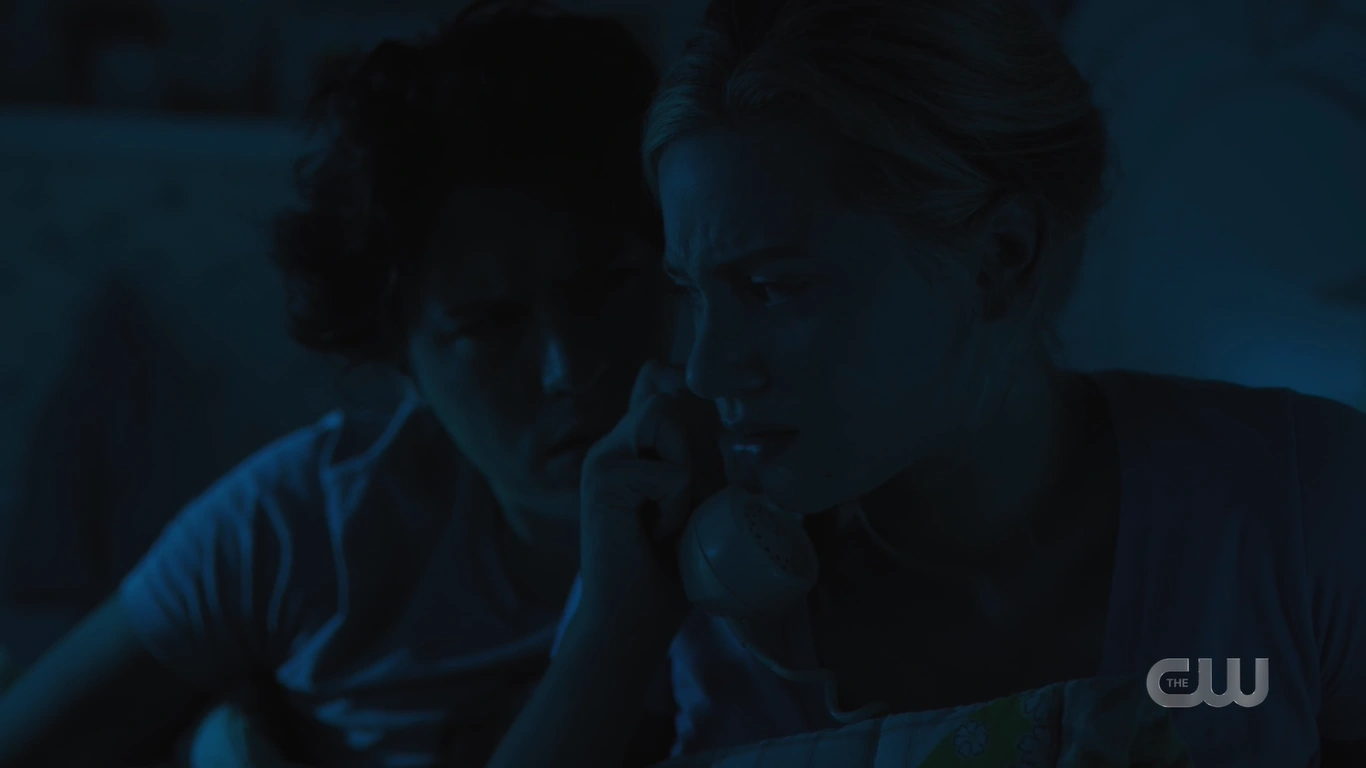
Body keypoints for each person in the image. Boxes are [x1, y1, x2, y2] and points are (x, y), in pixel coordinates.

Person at [487, 0, 1366, 766]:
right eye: (692, 291)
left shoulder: (1301, 508)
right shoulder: (666, 581)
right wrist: (611, 635)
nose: (709, 367)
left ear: (1000, 259)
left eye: (771, 287)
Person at [0, 3, 677, 766]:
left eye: (605, 285)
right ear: (400, 359)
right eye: (489, 325)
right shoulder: (298, 528)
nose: (567, 368)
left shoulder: (761, 520)